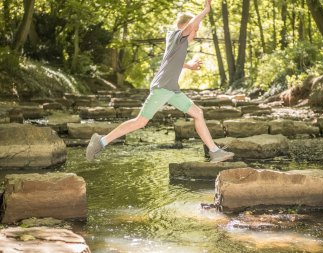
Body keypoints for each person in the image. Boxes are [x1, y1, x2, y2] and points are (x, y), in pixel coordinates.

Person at [86, 0, 234, 163]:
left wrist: (188, 65)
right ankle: (100, 141)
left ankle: (214, 151)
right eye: (195, 29)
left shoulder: (178, 43)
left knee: (198, 113)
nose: (196, 33)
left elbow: (169, 61)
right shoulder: (176, 36)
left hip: (171, 90)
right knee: (140, 122)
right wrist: (206, 10)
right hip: (162, 88)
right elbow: (191, 26)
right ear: (185, 27)